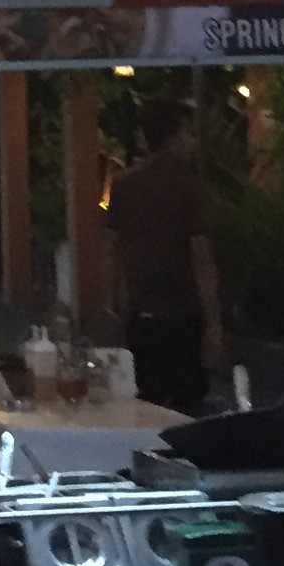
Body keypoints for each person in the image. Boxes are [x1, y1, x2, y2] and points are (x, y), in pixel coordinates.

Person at [104, 101, 223, 415]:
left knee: (145, 406)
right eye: (187, 134)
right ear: (173, 138)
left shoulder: (124, 186)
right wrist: (213, 321)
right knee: (187, 407)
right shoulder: (189, 188)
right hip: (181, 313)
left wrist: (114, 304)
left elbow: (113, 251)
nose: (192, 142)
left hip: (140, 312)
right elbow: (201, 258)